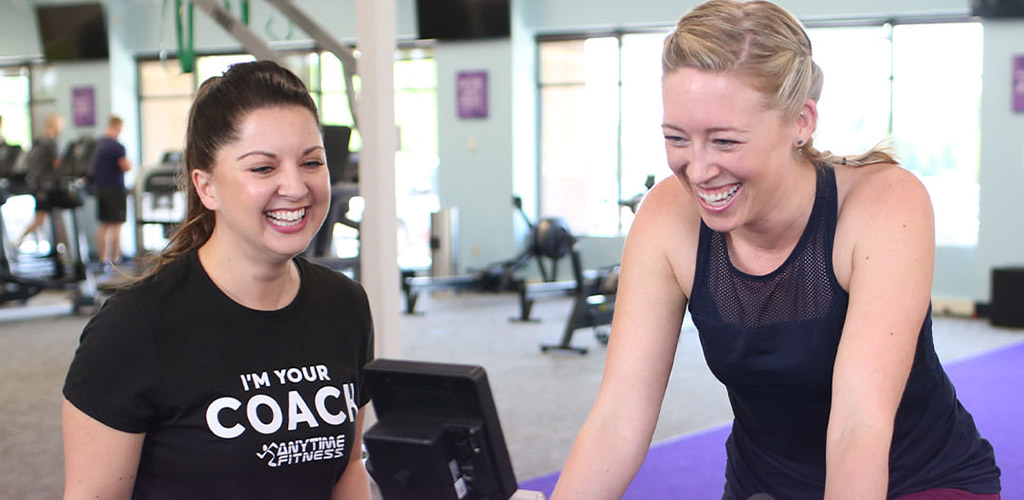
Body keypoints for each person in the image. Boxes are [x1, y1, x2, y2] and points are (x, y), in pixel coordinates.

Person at [550, 1, 1000, 499]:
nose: (697, 171)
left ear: (801, 122)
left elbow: (858, 426)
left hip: (916, 481)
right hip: (764, 487)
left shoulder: (884, 204)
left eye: (724, 141)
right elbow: (618, 418)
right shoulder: (667, 217)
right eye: (677, 138)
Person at [62, 60, 374, 500]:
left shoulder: (345, 305)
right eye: (263, 168)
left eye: (311, 162)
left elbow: (349, 470)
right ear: (206, 187)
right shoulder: (134, 328)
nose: (296, 187)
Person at [17, 113, 64, 251]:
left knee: (41, 218)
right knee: (40, 218)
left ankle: (54, 246)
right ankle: (18, 241)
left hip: (38, 185)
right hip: (46, 187)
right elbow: (57, 164)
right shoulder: (52, 142)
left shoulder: (39, 141)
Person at [90, 114, 132, 266]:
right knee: (116, 226)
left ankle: (102, 259)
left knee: (104, 225)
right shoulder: (117, 147)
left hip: (101, 189)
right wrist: (131, 165)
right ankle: (116, 259)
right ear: (117, 127)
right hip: (115, 189)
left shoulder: (98, 145)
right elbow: (125, 166)